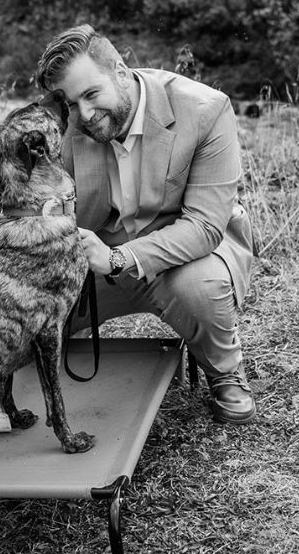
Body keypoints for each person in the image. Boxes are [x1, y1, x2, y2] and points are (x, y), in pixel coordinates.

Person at [35, 24, 256, 424]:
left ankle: (224, 370)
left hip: (185, 253)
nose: (84, 114)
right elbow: (42, 209)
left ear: (120, 71)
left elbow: (205, 227)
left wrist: (119, 257)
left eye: (91, 94)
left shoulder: (206, 109)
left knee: (197, 289)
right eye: (71, 103)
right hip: (98, 252)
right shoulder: (67, 123)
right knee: (24, 333)